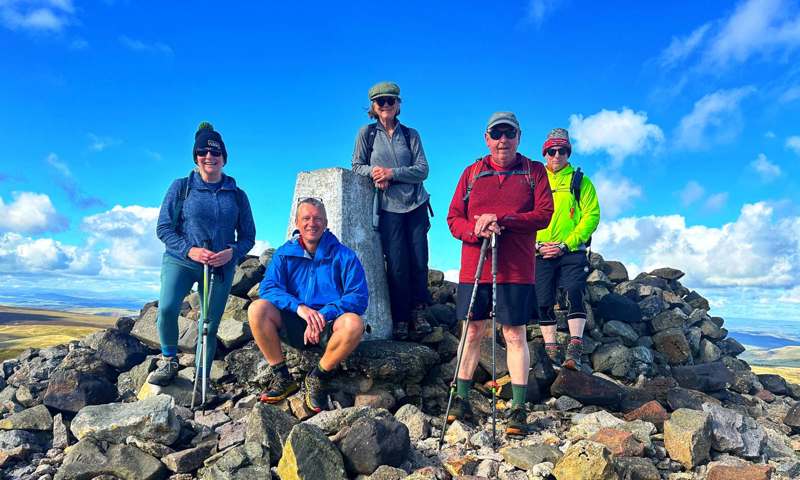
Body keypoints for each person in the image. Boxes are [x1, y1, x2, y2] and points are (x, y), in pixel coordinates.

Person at [446, 112, 554, 436]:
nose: (502, 140)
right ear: (487, 138)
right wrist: (477, 227)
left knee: (514, 334)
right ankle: (461, 398)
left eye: (509, 134)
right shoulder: (472, 172)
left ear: (519, 137)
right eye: (497, 134)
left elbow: (544, 214)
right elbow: (453, 219)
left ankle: (518, 408)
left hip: (517, 269)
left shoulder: (534, 171)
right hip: (473, 266)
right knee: (473, 330)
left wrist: (502, 218)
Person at [151, 122, 256, 389]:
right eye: (203, 152)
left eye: (216, 152)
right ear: (196, 156)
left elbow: (248, 237)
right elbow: (163, 228)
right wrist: (190, 250)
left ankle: (202, 376)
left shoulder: (237, 195)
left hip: (220, 265)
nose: (209, 157)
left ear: (224, 157)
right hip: (182, 260)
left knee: (209, 322)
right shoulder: (181, 187)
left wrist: (231, 252)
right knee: (167, 308)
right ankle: (169, 360)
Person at [247, 198, 369, 413]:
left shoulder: (344, 255)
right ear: (297, 222)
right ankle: (283, 377)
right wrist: (300, 308)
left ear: (326, 222)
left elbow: (358, 297)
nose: (312, 223)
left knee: (354, 323)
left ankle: (317, 377)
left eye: (317, 219)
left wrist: (323, 313)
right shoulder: (284, 254)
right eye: (306, 218)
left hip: (329, 325)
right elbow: (268, 288)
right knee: (257, 309)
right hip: (295, 321)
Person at [352, 81, 433, 340]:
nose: (385, 105)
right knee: (397, 264)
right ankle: (400, 318)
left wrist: (392, 174)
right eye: (380, 102)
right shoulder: (367, 133)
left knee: (419, 260)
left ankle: (418, 312)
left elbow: (423, 169)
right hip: (388, 208)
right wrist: (375, 174)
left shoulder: (411, 135)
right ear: (373, 107)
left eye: (390, 100)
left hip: (417, 204)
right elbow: (356, 166)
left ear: (398, 105)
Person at [535, 128, 600, 370]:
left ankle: (575, 346)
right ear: (545, 152)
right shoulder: (535, 180)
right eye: (552, 150)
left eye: (562, 150)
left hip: (571, 250)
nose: (557, 155)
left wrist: (566, 244)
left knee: (573, 289)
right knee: (542, 298)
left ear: (568, 152)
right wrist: (536, 245)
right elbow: (523, 213)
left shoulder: (580, 181)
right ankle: (551, 347)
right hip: (539, 251)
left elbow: (591, 215)